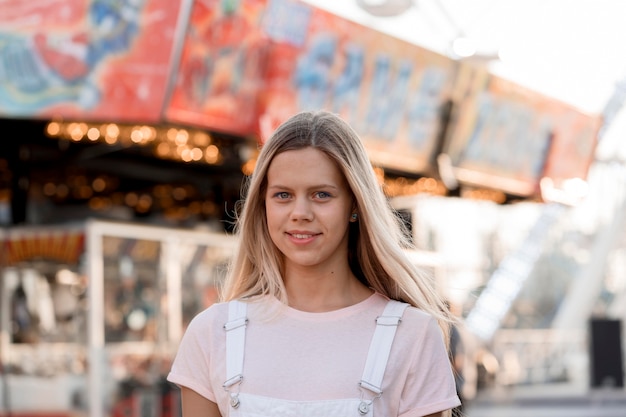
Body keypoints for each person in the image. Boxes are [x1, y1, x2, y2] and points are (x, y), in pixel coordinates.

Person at [167, 110, 461, 417]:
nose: (300, 213)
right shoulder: (213, 332)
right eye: (283, 195)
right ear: (263, 205)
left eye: (322, 194)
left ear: (355, 205)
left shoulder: (412, 335)